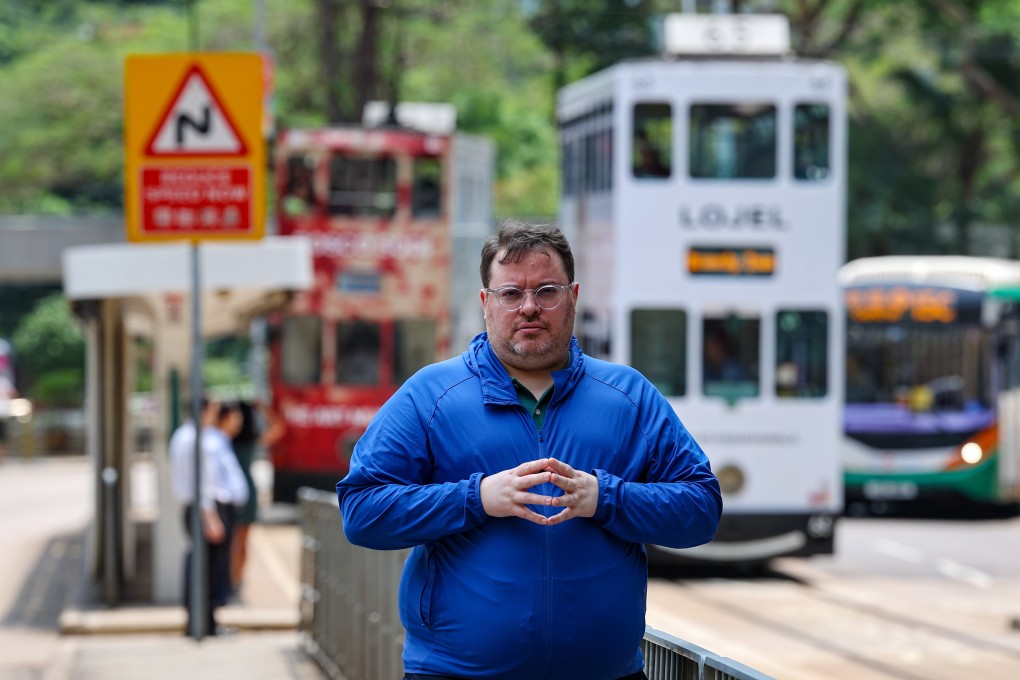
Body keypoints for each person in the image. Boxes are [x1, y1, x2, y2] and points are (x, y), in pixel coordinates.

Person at [336, 220, 722, 680]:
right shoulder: (430, 395)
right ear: (486, 303)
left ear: (573, 296)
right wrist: (475, 498)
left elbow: (701, 508)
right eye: (511, 294)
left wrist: (606, 498)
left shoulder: (628, 396)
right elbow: (361, 511)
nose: (529, 308)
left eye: (547, 291)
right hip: (455, 674)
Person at [169, 398, 248, 635]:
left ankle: (202, 621)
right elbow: (202, 482)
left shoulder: (184, 436)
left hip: (201, 508)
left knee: (205, 564)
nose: (216, 415)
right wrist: (210, 516)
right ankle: (204, 623)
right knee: (209, 567)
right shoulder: (196, 439)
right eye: (212, 410)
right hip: (207, 509)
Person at [229, 399, 285, 595]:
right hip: (248, 493)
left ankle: (229, 579)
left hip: (229, 495)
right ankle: (237, 580)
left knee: (229, 541)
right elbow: (279, 428)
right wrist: (264, 409)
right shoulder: (251, 441)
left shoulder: (224, 440)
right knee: (243, 542)